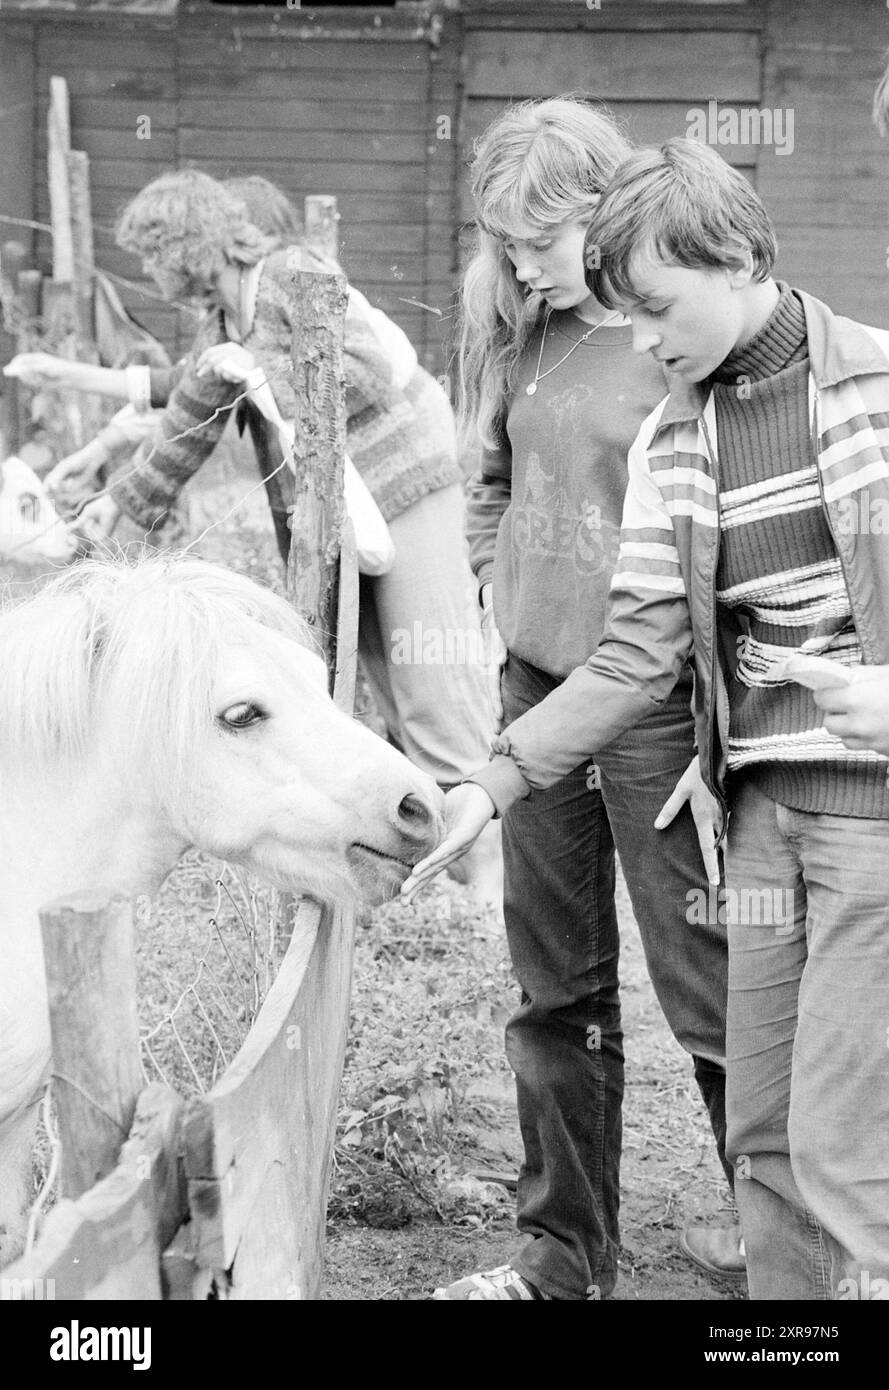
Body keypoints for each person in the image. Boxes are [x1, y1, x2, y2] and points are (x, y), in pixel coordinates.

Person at [405, 137, 889, 1301]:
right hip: (748, 799)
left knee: (827, 1129)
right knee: (764, 1128)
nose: (646, 341)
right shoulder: (680, 427)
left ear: (728, 256)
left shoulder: (870, 386)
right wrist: (497, 775)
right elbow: (637, 640)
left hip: (848, 807)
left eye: (660, 309)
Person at [429, 99, 737, 1303]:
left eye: (536, 239)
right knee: (554, 986)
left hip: (656, 705)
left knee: (707, 979)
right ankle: (562, 1250)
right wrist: (501, 578)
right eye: (499, 240)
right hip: (539, 691)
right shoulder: (516, 325)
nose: (516, 263)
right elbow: (490, 474)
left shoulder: (673, 335)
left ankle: (787, 1243)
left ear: (602, 214)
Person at [15, 171, 502, 898]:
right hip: (347, 520)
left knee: (435, 693)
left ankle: (492, 892)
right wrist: (119, 505)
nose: (150, 274)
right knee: (391, 695)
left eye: (152, 255)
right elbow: (186, 421)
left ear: (181, 245)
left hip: (400, 491)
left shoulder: (291, 276)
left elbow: (360, 374)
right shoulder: (223, 324)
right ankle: (445, 878)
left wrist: (252, 371)